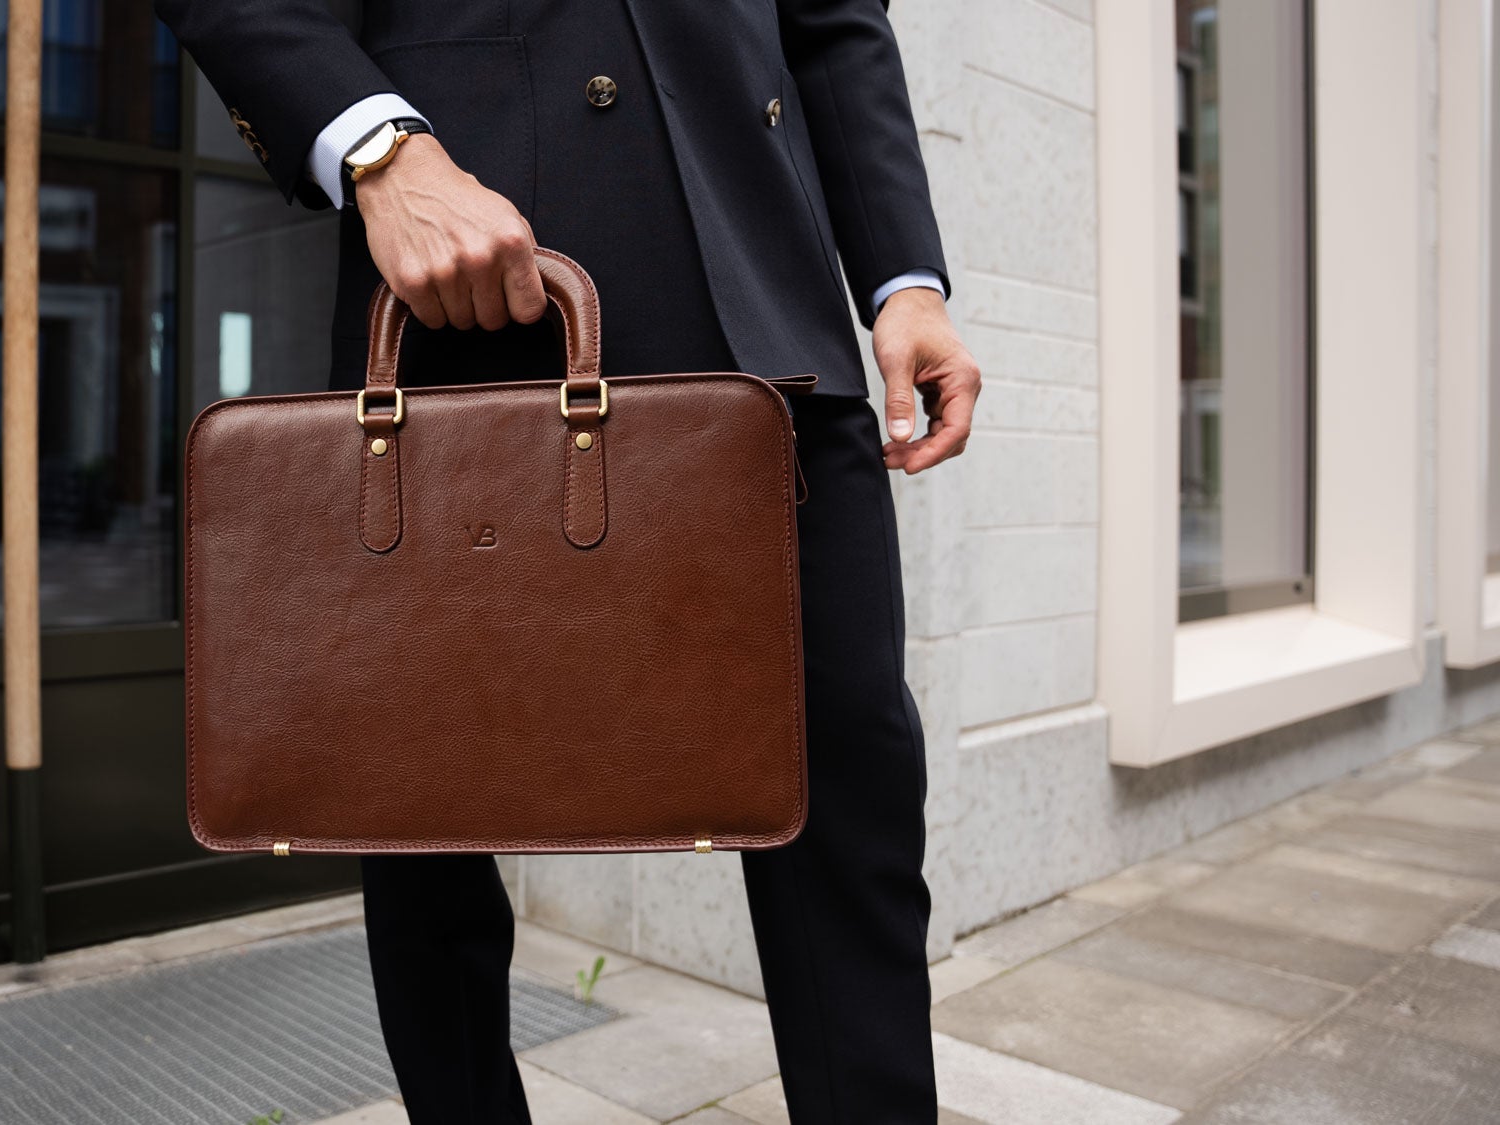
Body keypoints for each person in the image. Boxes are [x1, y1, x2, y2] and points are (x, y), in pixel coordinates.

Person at [153, 2, 981, 1120]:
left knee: (852, 810)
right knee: (423, 820)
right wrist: (375, 144)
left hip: (770, 311)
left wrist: (903, 277)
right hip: (477, 286)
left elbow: (835, 21)